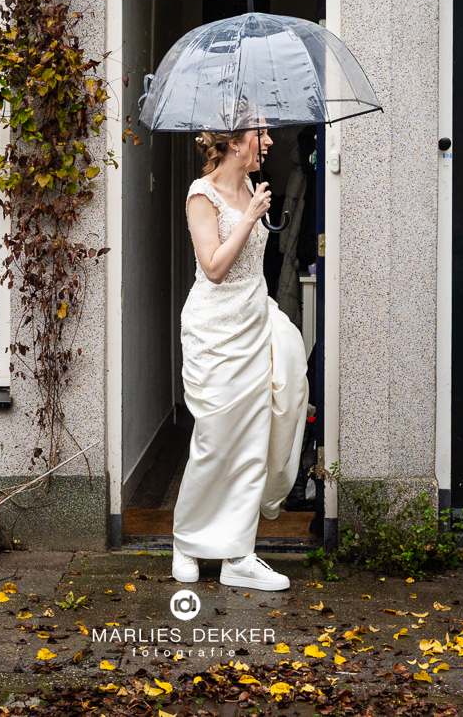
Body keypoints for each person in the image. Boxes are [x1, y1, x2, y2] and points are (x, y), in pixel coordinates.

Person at [171, 125, 308, 592]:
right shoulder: (200, 196)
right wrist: (249, 217)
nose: (268, 143)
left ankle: (239, 555)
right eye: (261, 134)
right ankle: (186, 541)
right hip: (214, 331)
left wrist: (254, 208)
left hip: (253, 325)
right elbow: (212, 267)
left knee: (252, 442)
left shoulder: (252, 186)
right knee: (214, 441)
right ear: (234, 142)